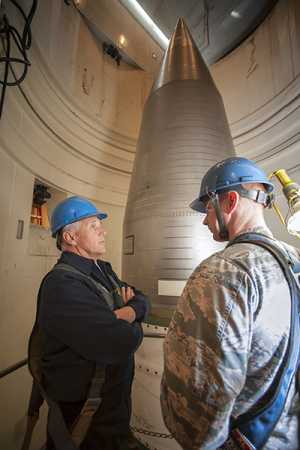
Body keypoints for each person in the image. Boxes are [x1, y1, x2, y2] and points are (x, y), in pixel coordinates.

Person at [161, 157, 300, 449]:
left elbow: (199, 403)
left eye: (208, 207)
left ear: (230, 201)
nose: (205, 218)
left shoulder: (223, 271)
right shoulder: (295, 259)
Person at [32, 196, 149, 450]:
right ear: (70, 237)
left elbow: (142, 301)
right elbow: (118, 342)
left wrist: (127, 313)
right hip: (85, 419)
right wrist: (133, 320)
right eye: (94, 226)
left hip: (112, 409)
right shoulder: (62, 285)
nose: (103, 231)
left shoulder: (103, 271)